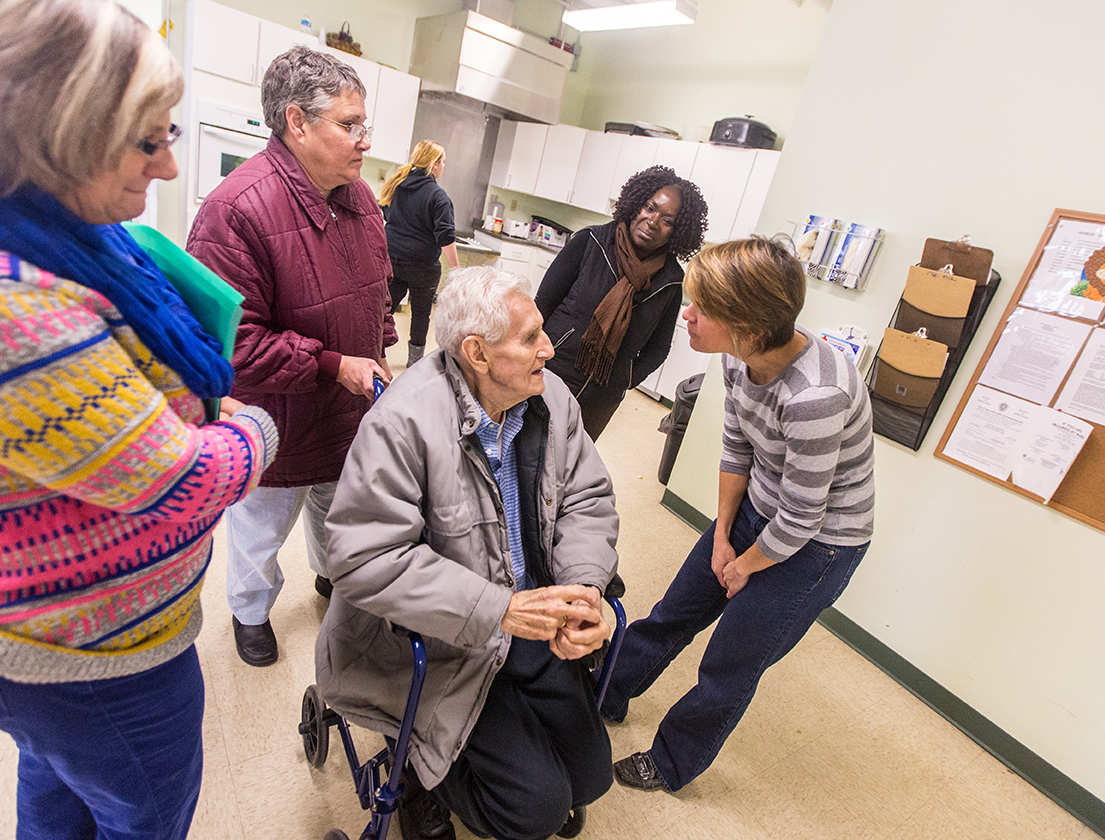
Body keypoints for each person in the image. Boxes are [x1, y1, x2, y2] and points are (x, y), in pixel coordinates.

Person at [0, 1, 279, 837]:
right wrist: (257, 429)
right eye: (146, 141)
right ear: (50, 134)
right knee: (141, 812)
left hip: (46, 632)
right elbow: (177, 479)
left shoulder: (26, 217)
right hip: (81, 653)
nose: (165, 167)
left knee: (57, 778)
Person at [317, 266, 618, 840]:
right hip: (444, 640)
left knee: (590, 779)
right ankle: (416, 778)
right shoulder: (403, 422)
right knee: (533, 811)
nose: (549, 349)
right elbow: (362, 560)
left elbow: (588, 496)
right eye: (530, 338)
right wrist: (495, 610)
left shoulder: (550, 397)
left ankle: (506, 743)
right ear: (477, 353)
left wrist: (583, 587)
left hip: (529, 627)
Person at [601, 237, 875, 793]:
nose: (688, 314)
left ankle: (673, 762)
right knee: (674, 611)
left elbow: (801, 518)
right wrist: (723, 535)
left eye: (702, 307)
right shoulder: (737, 358)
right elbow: (737, 447)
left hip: (820, 545)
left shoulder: (816, 395)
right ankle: (606, 690)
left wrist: (746, 565)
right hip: (758, 510)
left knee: (730, 662)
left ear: (747, 325)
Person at [187, 46, 397, 667]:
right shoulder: (235, 210)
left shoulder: (360, 200)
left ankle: (332, 580)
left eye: (365, 125)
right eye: (349, 125)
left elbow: (378, 293)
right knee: (259, 530)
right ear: (296, 123)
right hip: (275, 420)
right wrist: (336, 364)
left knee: (338, 513)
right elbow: (236, 345)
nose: (364, 142)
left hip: (348, 412)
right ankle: (251, 611)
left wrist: (380, 345)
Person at [535, 165, 708, 439]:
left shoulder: (672, 280)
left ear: (677, 231)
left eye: (667, 220)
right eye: (650, 208)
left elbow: (659, 347)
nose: (652, 221)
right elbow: (541, 306)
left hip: (602, 396)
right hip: (552, 372)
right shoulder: (590, 242)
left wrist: (625, 378)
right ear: (635, 204)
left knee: (571, 468)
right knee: (524, 449)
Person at [379, 139, 460, 366]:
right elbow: (445, 237)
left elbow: (386, 212)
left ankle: (373, 351)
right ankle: (413, 363)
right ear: (434, 164)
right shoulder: (438, 196)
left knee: (384, 310)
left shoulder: (398, 184)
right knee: (421, 314)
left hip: (392, 259)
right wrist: (457, 270)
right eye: (443, 162)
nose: (444, 166)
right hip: (422, 266)